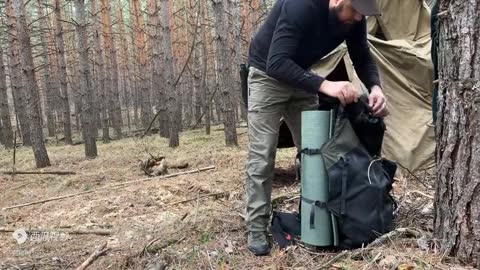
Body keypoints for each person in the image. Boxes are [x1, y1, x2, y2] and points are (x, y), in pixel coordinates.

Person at [245, 0, 389, 256]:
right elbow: (276, 62)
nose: (357, 18)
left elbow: (361, 54)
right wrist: (327, 86)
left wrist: (375, 86)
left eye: (362, 14)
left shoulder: (354, 18)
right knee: (263, 155)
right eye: (354, 11)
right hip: (267, 75)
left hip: (302, 77)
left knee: (317, 152)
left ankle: (317, 218)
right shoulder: (302, 5)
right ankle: (256, 226)